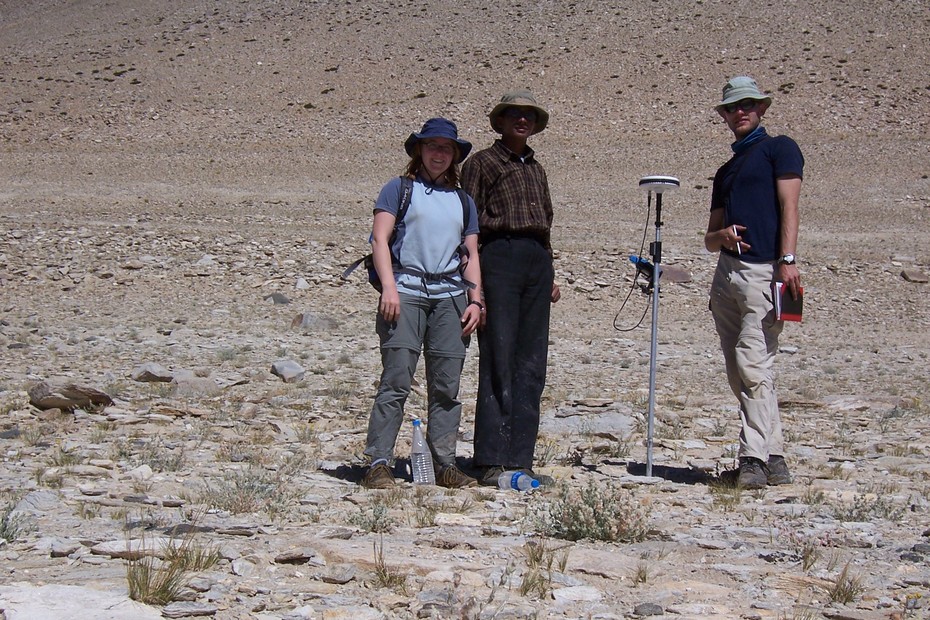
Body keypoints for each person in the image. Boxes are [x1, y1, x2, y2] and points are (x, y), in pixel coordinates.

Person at [362, 117, 484, 489]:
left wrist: (475, 299)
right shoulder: (398, 190)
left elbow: (471, 254)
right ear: (419, 150)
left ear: (454, 155)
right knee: (397, 378)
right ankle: (378, 462)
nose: (438, 154)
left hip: (449, 296)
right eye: (432, 146)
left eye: (446, 148)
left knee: (446, 385)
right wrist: (389, 288)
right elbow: (379, 240)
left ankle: (444, 463)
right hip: (406, 292)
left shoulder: (463, 201)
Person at [704, 76, 804, 490]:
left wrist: (788, 260)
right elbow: (709, 238)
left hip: (764, 270)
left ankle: (753, 460)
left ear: (761, 108)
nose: (740, 112)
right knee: (741, 370)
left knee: (753, 365)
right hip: (727, 274)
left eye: (747, 105)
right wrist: (722, 237)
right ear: (725, 115)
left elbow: (789, 206)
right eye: (732, 107)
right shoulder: (725, 171)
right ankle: (775, 458)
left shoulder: (780, 149)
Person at [461, 89, 561, 487]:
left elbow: (547, 220)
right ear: (499, 122)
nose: (522, 120)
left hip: (536, 260)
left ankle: (522, 456)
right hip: (498, 257)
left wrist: (549, 269)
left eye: (529, 115)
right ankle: (490, 457)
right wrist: (475, 285)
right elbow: (467, 224)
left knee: (532, 361)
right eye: (514, 114)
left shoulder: (536, 168)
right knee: (499, 355)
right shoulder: (483, 163)